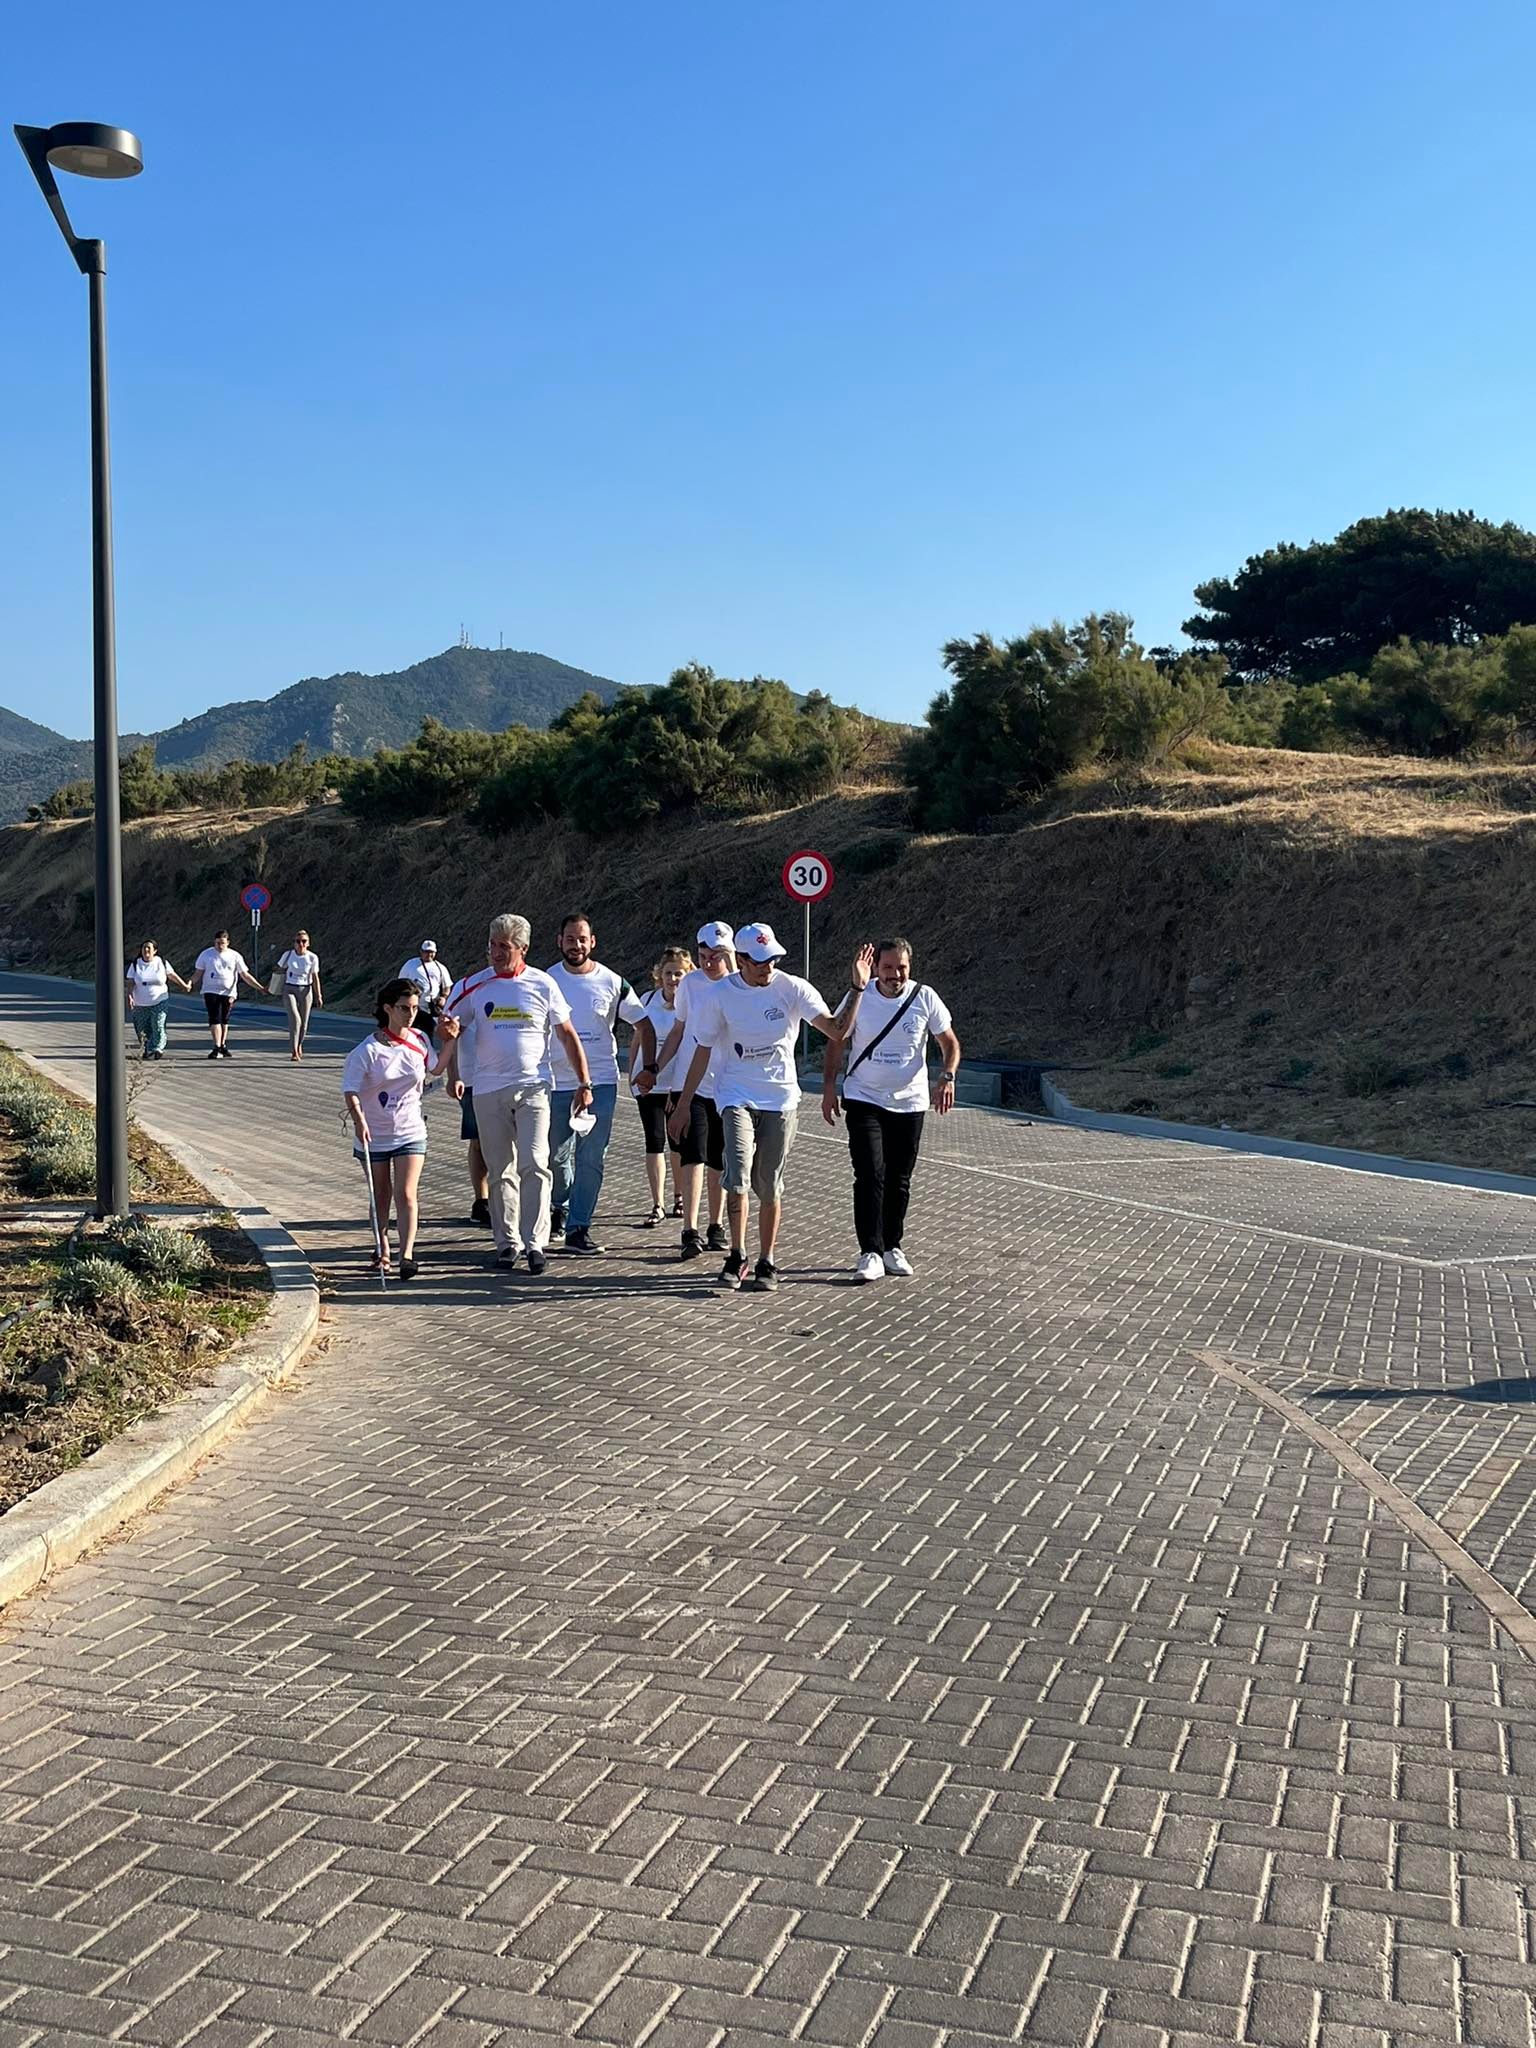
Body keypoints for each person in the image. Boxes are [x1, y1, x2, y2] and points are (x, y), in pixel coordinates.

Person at [669, 922, 871, 1291]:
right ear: (741, 959)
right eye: (760, 961)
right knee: (737, 1176)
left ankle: (767, 1260)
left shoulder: (791, 988)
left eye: (772, 959)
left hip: (780, 1099)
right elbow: (702, 1051)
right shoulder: (720, 995)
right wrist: (683, 1103)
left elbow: (836, 1030)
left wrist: (857, 988)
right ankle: (737, 1254)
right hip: (735, 1096)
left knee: (769, 1184)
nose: (768, 967)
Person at [445, 913, 594, 1275]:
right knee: (500, 1169)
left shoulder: (543, 984)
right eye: (492, 946)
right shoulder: (472, 985)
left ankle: (535, 1243)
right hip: (488, 1089)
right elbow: (450, 1030)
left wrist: (584, 1083)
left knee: (535, 1163)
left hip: (534, 1088)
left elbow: (567, 1034)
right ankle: (507, 1242)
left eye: (505, 947)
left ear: (523, 949)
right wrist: (453, 1073)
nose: (496, 953)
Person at [821, 936, 961, 1283]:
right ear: (875, 968)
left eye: (901, 968)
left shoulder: (924, 997)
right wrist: (829, 1088)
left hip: (909, 1102)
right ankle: (869, 1250)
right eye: (887, 967)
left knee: (899, 1178)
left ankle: (891, 1247)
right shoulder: (860, 996)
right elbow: (837, 1039)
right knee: (870, 1172)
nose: (894, 975)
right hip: (864, 1097)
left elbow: (950, 1043)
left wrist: (947, 1076)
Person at [342, 978, 460, 1282]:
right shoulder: (367, 1050)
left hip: (410, 1130)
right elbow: (350, 1090)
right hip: (374, 1133)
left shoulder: (419, 1038)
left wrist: (451, 1041)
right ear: (388, 1009)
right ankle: (382, 1248)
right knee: (381, 1194)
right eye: (404, 1008)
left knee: (406, 1193)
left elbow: (436, 1068)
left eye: (415, 1008)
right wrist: (359, 1120)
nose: (410, 1014)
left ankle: (406, 1255)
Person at [544, 911, 647, 1255]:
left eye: (582, 939)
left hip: (601, 1082)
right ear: (559, 942)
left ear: (593, 942)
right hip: (557, 1082)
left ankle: (579, 1227)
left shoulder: (613, 982)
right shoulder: (545, 981)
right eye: (570, 939)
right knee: (556, 1156)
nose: (576, 945)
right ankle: (558, 1205)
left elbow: (643, 1023)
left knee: (591, 1157)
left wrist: (648, 1067)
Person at [642, 921, 737, 1257]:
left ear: (729, 954)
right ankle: (690, 1229)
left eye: (716, 955)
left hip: (726, 1084)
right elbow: (679, 1030)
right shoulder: (690, 985)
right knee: (693, 1152)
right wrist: (655, 1068)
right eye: (703, 955)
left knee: (719, 1158)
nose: (709, 962)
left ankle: (716, 1224)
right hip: (690, 1084)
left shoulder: (740, 985)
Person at [630, 947, 693, 1231]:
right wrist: (632, 1072)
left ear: (687, 975)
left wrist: (677, 1089)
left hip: (675, 1084)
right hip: (649, 1084)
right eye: (668, 973)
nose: (673, 979)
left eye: (679, 973)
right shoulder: (647, 1000)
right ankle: (658, 1204)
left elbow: (690, 1047)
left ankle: (679, 1197)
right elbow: (638, 1038)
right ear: (660, 975)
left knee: (677, 1142)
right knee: (654, 1141)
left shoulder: (692, 1003)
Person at [444, 950, 492, 1229]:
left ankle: (504, 1198)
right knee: (479, 1141)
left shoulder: (521, 986)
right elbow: (449, 1036)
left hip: (509, 1079)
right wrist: (453, 1076)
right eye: (494, 949)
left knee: (507, 1143)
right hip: (473, 1078)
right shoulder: (468, 989)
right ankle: (481, 1200)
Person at [192, 930, 264, 1059]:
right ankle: (216, 1046)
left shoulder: (235, 956)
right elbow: (198, 973)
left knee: (224, 1019)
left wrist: (259, 988)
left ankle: (222, 1045)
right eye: (217, 943)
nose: (220, 946)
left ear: (228, 942)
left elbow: (245, 975)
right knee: (214, 1018)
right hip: (210, 990)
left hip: (228, 992)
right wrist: (189, 983)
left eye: (222, 943)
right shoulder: (206, 954)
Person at [123, 939, 190, 1061]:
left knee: (158, 1024)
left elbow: (172, 975)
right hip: (140, 1002)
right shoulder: (136, 964)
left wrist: (184, 985)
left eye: (149, 948)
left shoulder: (161, 963)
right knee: (142, 1028)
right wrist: (129, 995)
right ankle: (147, 1049)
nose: (146, 950)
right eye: (144, 947)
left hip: (159, 1000)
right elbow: (131, 982)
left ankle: (157, 1048)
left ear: (155, 951)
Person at [277, 928, 323, 1060]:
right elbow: (278, 970)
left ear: (308, 943)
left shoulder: (312, 957)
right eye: (298, 941)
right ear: (294, 943)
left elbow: (315, 977)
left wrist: (318, 995)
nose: (301, 944)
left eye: (304, 941)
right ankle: (294, 1051)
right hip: (289, 988)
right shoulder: (288, 955)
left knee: (304, 1022)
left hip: (306, 990)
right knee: (295, 1019)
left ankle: (299, 1044)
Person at [400, 939, 452, 1041]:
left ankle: (426, 1049)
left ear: (435, 953)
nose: (428, 955)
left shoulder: (440, 968)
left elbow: (447, 986)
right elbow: (401, 983)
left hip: (430, 1009)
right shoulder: (410, 965)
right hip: (413, 1008)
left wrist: (444, 997)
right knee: (409, 1035)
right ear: (421, 952)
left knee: (427, 1035)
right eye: (426, 952)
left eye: (431, 952)